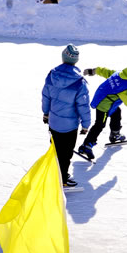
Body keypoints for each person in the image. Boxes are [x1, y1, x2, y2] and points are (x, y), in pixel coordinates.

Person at [42, 45, 91, 189]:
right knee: (66, 154)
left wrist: (45, 113)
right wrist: (86, 124)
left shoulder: (52, 74)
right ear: (76, 61)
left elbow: (46, 96)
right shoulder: (79, 82)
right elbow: (83, 105)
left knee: (55, 151)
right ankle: (62, 179)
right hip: (69, 127)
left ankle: (55, 174)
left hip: (54, 122)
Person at [75, 61, 127, 160]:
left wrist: (93, 71)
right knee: (99, 124)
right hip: (104, 105)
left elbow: (106, 72)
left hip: (101, 96)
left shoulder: (120, 73)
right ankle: (86, 145)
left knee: (117, 112)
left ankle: (115, 134)